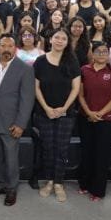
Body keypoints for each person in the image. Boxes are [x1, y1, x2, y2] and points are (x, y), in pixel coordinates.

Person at [0, 34, 35, 206]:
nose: (6, 49)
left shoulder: (25, 69)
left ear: (15, 48)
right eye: (3, 46)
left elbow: (27, 99)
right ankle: (1, 184)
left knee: (11, 158)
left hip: (12, 122)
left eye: (10, 46)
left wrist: (20, 124)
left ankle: (11, 188)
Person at [34, 28, 82, 203]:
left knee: (62, 148)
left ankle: (59, 183)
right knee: (48, 146)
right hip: (44, 112)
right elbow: (36, 87)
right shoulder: (40, 61)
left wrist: (64, 108)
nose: (60, 41)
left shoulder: (72, 61)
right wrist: (47, 108)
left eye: (63, 38)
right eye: (57, 37)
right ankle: (49, 181)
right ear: (51, 40)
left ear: (67, 42)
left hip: (66, 113)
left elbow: (76, 88)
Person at [77, 41, 111, 201]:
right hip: (86, 118)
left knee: (102, 155)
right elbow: (80, 95)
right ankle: (84, 184)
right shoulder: (84, 70)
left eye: (105, 51)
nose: (102, 54)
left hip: (108, 120)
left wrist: (100, 114)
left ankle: (98, 190)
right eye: (98, 51)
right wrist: (89, 113)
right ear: (93, 53)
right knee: (87, 152)